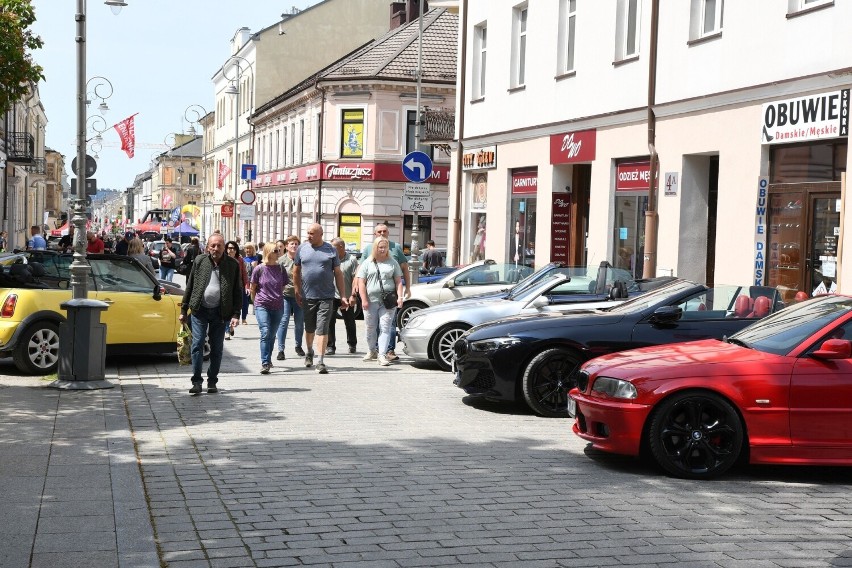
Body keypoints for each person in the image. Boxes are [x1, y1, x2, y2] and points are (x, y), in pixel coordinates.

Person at [179, 234, 242, 395]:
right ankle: (196, 382)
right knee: (197, 344)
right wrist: (183, 310)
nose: (216, 249)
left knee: (217, 348)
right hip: (199, 310)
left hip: (221, 313)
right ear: (207, 247)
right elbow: (190, 285)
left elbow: (237, 291)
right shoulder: (200, 261)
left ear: (224, 247)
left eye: (219, 245)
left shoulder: (232, 265)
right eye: (213, 245)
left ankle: (212, 381)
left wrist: (236, 314)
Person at [292, 224, 349, 374]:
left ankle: (321, 360)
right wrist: (297, 290)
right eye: (308, 233)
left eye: (312, 233)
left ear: (320, 234)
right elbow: (296, 272)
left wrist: (342, 295)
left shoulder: (331, 250)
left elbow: (338, 273)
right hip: (308, 296)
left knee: (322, 328)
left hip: (326, 296)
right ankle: (310, 351)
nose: (309, 236)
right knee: (309, 328)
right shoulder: (302, 249)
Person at [358, 224, 410, 361]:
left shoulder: (393, 262)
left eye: (385, 247)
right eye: (380, 247)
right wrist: (363, 299)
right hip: (370, 300)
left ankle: (383, 354)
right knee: (370, 329)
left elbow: (399, 280)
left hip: (388, 301)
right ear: (375, 248)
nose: (383, 250)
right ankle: (371, 350)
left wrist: (401, 296)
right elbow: (360, 281)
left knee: (385, 327)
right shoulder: (367, 263)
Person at [250, 242, 288, 374]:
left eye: (279, 251)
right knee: (265, 332)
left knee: (271, 335)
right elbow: (253, 287)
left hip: (277, 305)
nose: (279, 253)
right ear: (268, 252)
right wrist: (255, 302)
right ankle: (265, 362)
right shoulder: (259, 269)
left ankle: (269, 358)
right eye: (276, 251)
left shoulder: (281, 269)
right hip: (262, 305)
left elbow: (282, 286)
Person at [276, 236, 305, 360]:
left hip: (300, 295)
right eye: (291, 244)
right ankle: (281, 349)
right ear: (286, 246)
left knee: (299, 323)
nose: (294, 246)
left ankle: (298, 346)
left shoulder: (303, 260)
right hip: (285, 295)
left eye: (296, 244)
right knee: (284, 321)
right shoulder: (281, 261)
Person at [329, 237, 358, 355]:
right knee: (330, 321)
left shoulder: (352, 260)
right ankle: (330, 346)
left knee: (349, 321)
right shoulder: (330, 259)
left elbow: (355, 279)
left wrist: (353, 296)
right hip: (331, 295)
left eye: (333, 247)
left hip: (346, 295)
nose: (331, 250)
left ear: (341, 247)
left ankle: (352, 344)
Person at [224, 240, 248, 340]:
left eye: (233, 248)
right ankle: (227, 330)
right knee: (226, 309)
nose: (231, 250)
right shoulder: (223, 259)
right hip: (226, 288)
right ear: (226, 249)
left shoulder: (240, 260)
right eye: (229, 248)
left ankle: (231, 327)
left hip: (238, 287)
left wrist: (247, 286)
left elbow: (244, 274)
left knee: (235, 309)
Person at [241, 242, 259, 324]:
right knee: (245, 300)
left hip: (254, 281)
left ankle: (257, 314)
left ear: (253, 250)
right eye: (247, 248)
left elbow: (257, 271)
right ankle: (244, 317)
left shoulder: (256, 259)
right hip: (245, 282)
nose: (248, 250)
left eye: (250, 248)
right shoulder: (242, 259)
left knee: (254, 299)